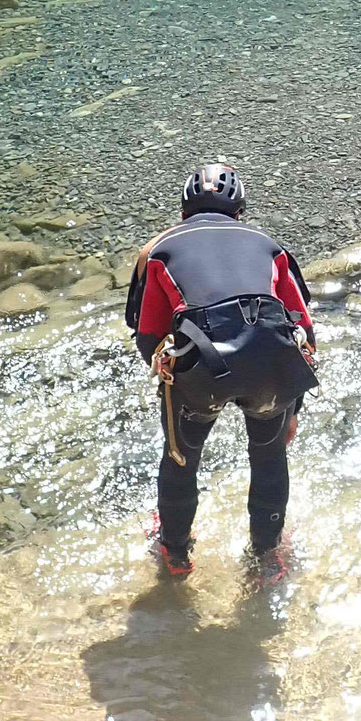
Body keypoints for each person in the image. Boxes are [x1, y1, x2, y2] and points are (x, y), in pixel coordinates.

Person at [126, 162, 317, 578]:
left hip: (201, 369)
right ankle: (267, 560)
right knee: (268, 458)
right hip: (270, 364)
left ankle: (175, 555)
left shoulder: (159, 251)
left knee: (181, 459)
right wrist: (294, 407)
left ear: (182, 212)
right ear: (240, 212)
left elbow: (146, 336)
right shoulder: (270, 246)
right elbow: (303, 329)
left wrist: (172, 391)